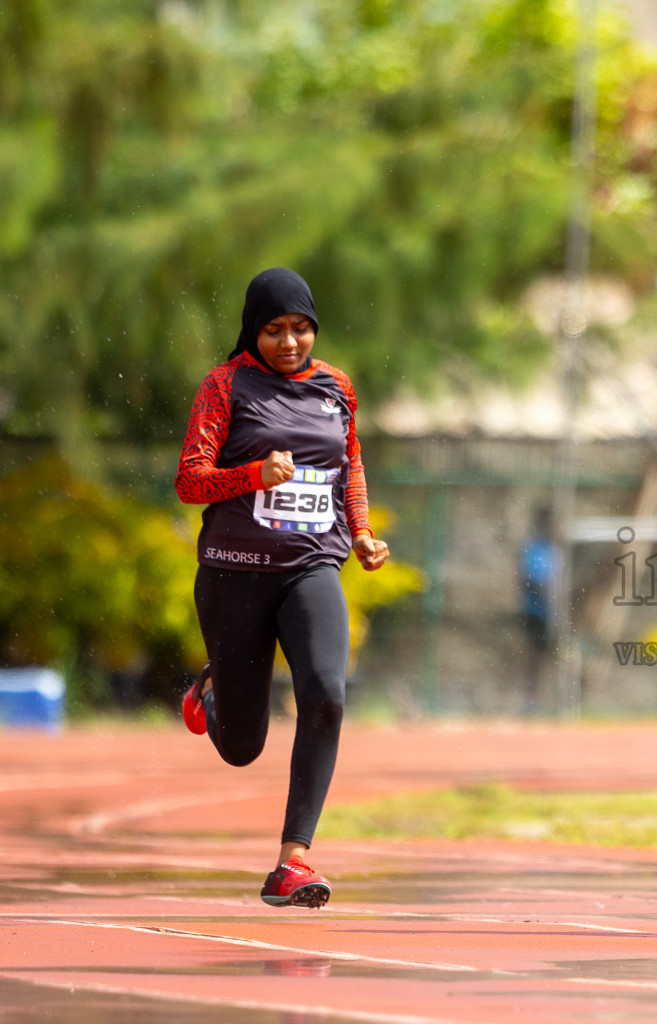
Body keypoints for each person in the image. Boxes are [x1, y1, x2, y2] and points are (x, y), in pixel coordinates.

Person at [174, 268, 390, 909]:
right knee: (243, 747)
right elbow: (190, 480)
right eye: (274, 330)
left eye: (301, 328)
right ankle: (212, 688)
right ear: (253, 331)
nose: (290, 342)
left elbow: (348, 461)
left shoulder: (336, 387)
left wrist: (361, 531)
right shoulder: (225, 385)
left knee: (326, 693)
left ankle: (292, 862)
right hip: (234, 571)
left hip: (310, 567)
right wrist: (251, 475)